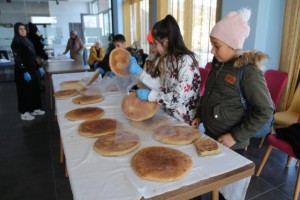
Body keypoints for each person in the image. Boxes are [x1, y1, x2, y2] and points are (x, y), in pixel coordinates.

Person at [191, 8, 274, 152]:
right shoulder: (218, 64)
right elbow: (210, 94)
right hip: (211, 135)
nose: (212, 51)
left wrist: (235, 136)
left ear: (233, 44)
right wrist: (199, 116)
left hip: (232, 145)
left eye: (217, 46)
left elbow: (265, 110)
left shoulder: (248, 72)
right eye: (212, 45)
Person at [128, 15, 201, 125]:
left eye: (155, 44)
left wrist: (150, 95)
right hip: (169, 116)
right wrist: (140, 74)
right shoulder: (168, 59)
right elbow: (162, 86)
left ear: (166, 41)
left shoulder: (186, 62)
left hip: (183, 122)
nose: (154, 47)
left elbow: (177, 99)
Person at [11, 22, 45, 121]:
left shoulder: (27, 40)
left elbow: (33, 56)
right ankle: (24, 113)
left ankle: (35, 108)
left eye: (24, 29)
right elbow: (17, 59)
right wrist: (24, 71)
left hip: (32, 70)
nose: (23, 31)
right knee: (24, 92)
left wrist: (39, 67)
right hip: (23, 72)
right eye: (20, 29)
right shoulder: (16, 42)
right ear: (16, 31)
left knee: (34, 90)